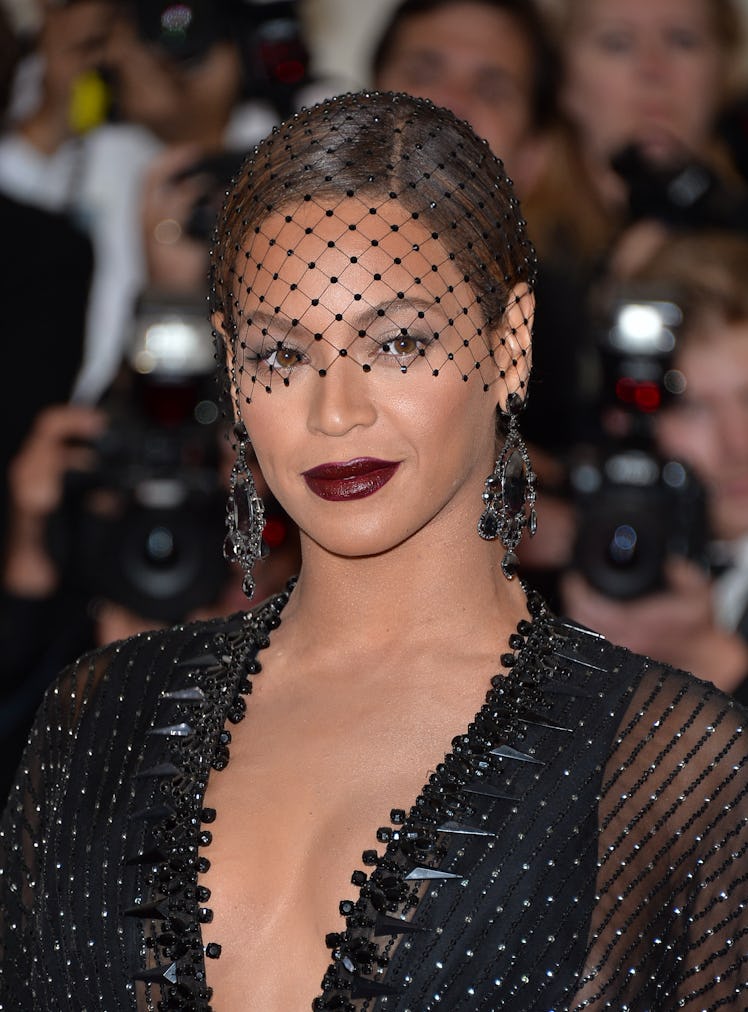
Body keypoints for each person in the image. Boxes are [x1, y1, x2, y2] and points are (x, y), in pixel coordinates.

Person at [1, 92, 746, 1011]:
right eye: (280, 355)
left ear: (509, 342)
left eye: (397, 341)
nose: (335, 409)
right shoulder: (99, 716)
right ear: (230, 367)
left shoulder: (676, 767)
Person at [563, 231, 748, 702]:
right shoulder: (586, 562)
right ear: (625, 420)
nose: (738, 444)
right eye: (693, 409)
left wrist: (711, 663)